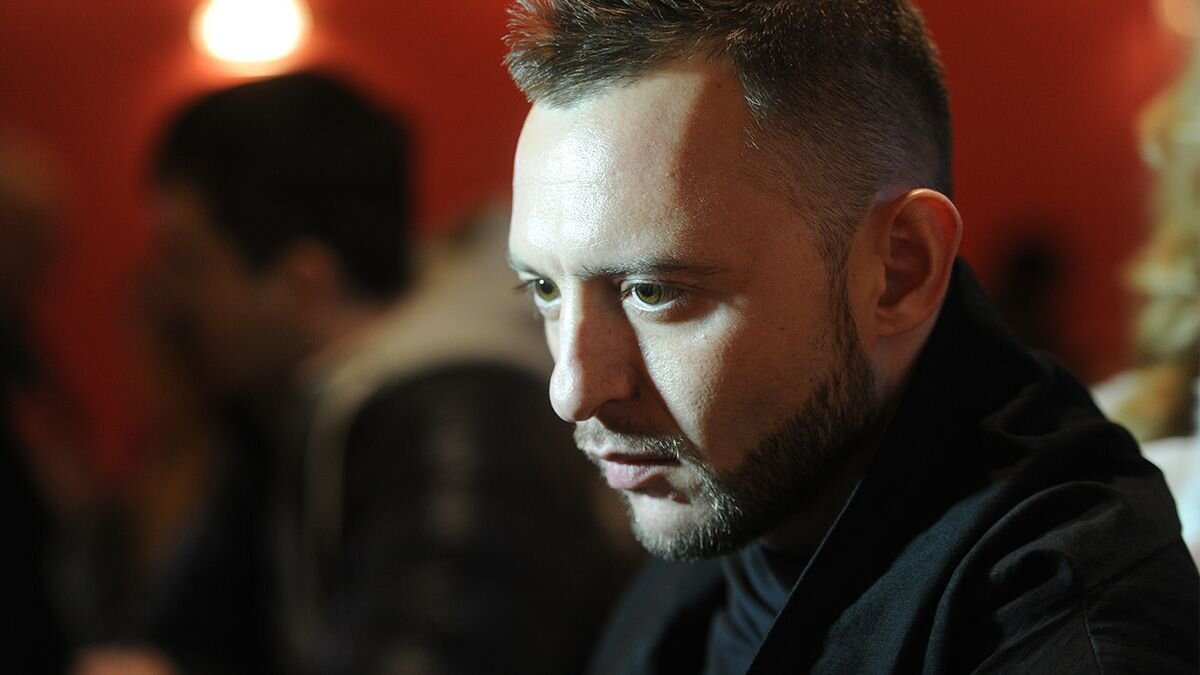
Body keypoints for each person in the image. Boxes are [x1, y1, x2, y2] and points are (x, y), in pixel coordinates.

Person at [502, 1, 1200, 673]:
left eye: (653, 292)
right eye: (545, 289)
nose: (573, 390)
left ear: (899, 270)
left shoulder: (1067, 623)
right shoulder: (739, 488)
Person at [78, 71, 630, 675]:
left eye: (188, 262)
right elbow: (180, 630)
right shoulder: (288, 399)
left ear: (303, 286)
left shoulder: (460, 427)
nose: (166, 299)